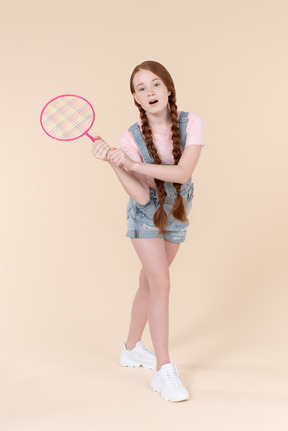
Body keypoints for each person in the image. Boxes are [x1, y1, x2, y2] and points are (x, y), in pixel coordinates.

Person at [91, 60, 204, 402]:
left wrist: (135, 164)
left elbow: (183, 174)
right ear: (136, 100)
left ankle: (130, 349)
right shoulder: (130, 137)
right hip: (145, 215)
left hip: (177, 209)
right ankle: (163, 370)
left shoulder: (191, 123)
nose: (149, 91)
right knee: (161, 283)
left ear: (169, 89)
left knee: (148, 281)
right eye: (141, 88)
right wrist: (115, 162)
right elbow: (141, 195)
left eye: (155, 84)